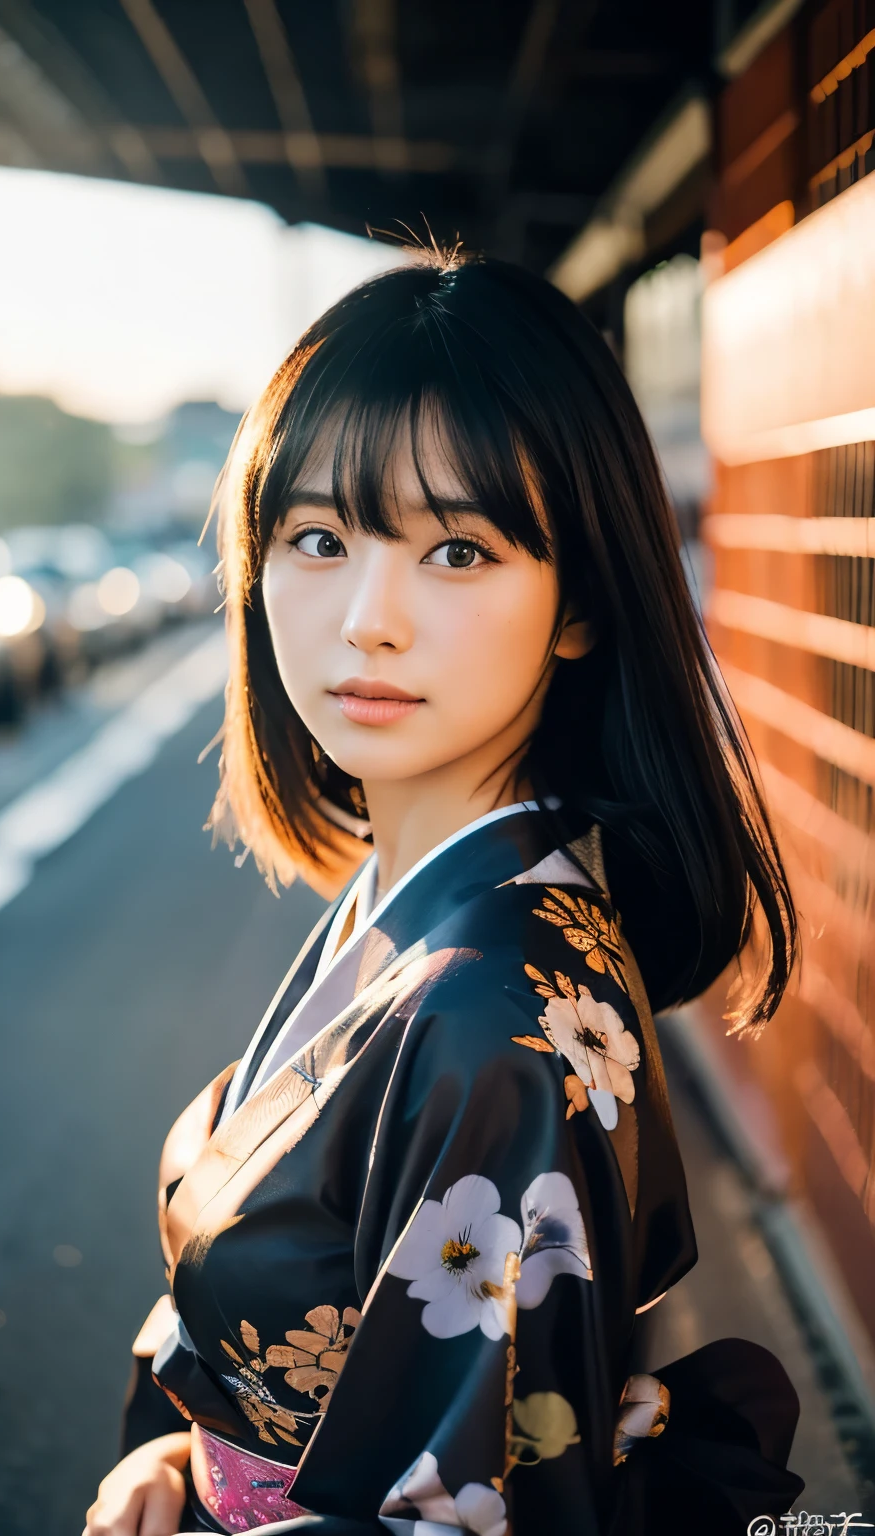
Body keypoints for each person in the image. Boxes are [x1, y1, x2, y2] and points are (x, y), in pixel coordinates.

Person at [84, 251, 804, 1536]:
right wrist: (183, 1462)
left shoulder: (496, 1020)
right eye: (316, 537)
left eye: (457, 551)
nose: (367, 617)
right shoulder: (405, 900)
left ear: (578, 600)